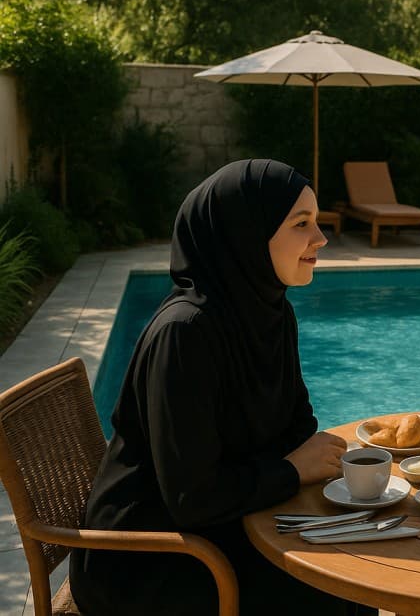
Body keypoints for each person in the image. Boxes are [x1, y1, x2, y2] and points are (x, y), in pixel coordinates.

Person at [69, 159, 371, 616]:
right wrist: (291, 471)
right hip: (150, 557)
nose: (321, 238)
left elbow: (297, 424)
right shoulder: (186, 334)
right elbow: (192, 498)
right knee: (338, 592)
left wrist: (303, 463)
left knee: (355, 563)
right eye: (301, 224)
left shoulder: (270, 312)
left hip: (225, 525)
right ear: (246, 234)